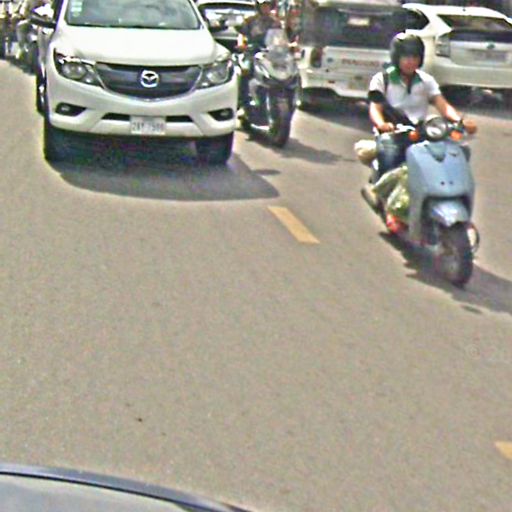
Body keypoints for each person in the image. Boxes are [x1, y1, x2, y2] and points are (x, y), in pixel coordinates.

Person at [368, 32, 464, 178]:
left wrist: (458, 120)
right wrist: (382, 124)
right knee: (389, 154)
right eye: (406, 57)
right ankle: (382, 187)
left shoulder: (426, 80)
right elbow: (375, 107)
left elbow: (442, 104)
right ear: (396, 57)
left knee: (454, 152)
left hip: (421, 131)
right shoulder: (382, 79)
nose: (411, 62)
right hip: (394, 132)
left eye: (415, 57)